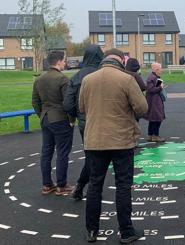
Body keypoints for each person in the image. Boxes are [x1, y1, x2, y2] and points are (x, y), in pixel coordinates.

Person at [79, 49, 148, 243]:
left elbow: (82, 108)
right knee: (123, 186)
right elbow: (142, 108)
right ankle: (126, 232)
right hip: (121, 140)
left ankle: (91, 230)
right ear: (121, 60)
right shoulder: (127, 79)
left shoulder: (88, 80)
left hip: (94, 140)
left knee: (95, 185)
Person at [63, 44, 104, 200]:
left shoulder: (76, 77)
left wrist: (76, 116)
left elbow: (67, 104)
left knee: (91, 156)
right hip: (105, 120)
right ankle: (86, 187)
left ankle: (82, 188)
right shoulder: (103, 75)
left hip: (85, 122)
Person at [32, 51, 74, 196]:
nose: (65, 63)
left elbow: (35, 101)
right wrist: (71, 120)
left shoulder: (39, 79)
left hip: (45, 118)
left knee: (46, 152)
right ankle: (61, 185)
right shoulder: (63, 79)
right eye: (64, 61)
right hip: (60, 119)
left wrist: (42, 115)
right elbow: (68, 103)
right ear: (58, 62)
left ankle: (47, 185)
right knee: (62, 152)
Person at [145, 63, 166, 142]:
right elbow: (151, 89)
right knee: (157, 118)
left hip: (155, 100)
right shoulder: (151, 78)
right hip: (154, 101)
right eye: (160, 69)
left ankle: (150, 135)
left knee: (153, 119)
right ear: (157, 69)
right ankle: (155, 136)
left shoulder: (156, 77)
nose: (161, 70)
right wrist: (160, 87)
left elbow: (156, 88)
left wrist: (159, 86)